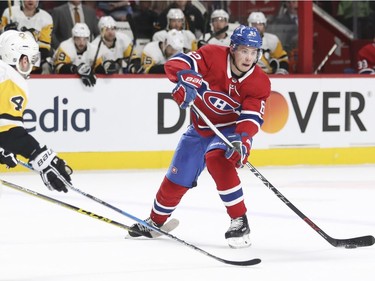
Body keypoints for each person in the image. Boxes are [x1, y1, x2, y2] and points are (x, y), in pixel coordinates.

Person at [128, 25, 271, 249]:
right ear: (232, 49)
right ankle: (155, 221)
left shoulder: (259, 82)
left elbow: (251, 117)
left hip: (230, 131)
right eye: (244, 50)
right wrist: (185, 79)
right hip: (200, 128)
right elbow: (176, 64)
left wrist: (243, 140)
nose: (249, 57)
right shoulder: (212, 55)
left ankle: (239, 220)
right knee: (178, 175)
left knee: (217, 158)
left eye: (254, 52)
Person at [0, 30, 72, 193]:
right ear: (22, 59)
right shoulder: (11, 80)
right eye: (31, 59)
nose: (32, 66)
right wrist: (40, 156)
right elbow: (8, 132)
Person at [0, 0, 53, 74]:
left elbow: (44, 46)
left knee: (46, 66)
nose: (30, 0)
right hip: (11, 59)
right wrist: (6, 30)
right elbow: (1, 38)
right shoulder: (9, 12)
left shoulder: (46, 17)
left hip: (34, 61)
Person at [53, 23, 98, 87]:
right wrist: (75, 69)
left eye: (84, 39)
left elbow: (98, 65)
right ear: (73, 38)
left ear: (88, 39)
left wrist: (105, 66)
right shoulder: (65, 46)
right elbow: (59, 68)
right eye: (78, 39)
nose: (81, 43)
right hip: (61, 81)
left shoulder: (93, 49)